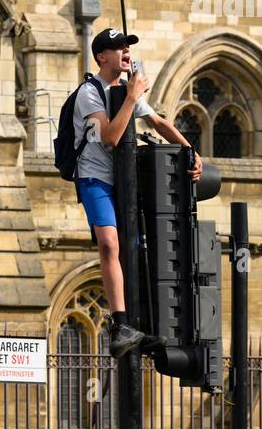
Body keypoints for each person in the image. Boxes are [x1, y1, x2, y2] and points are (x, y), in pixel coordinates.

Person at [75, 27, 203, 359]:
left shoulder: (128, 91)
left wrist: (191, 151)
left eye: (128, 47)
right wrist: (131, 96)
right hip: (94, 179)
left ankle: (139, 322)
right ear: (102, 57)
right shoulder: (90, 93)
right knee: (109, 244)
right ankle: (120, 324)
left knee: (139, 248)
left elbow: (159, 122)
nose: (127, 52)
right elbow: (111, 138)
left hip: (124, 181)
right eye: (119, 48)